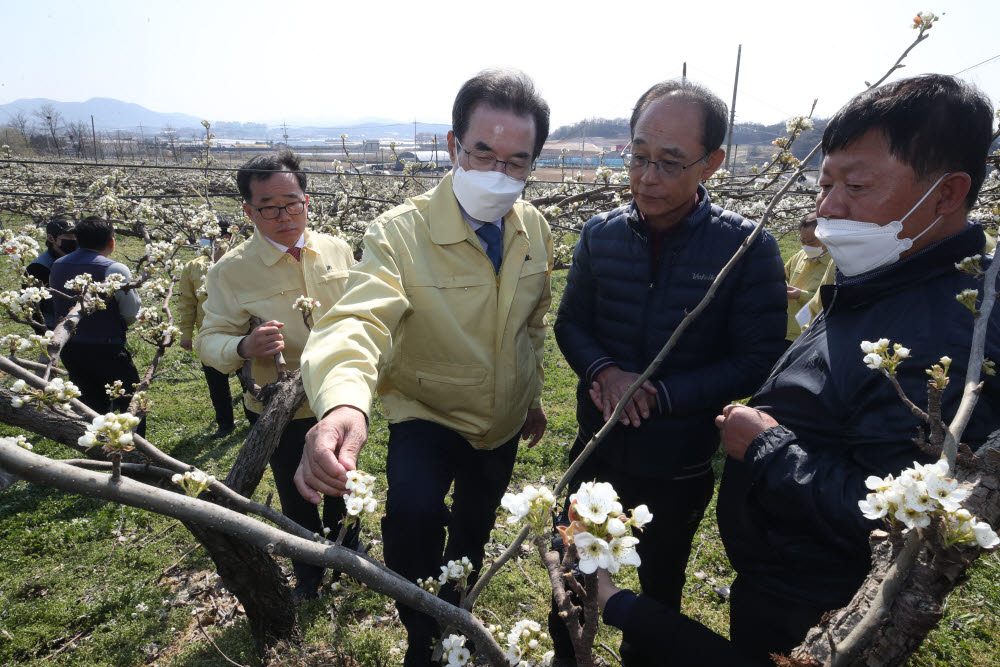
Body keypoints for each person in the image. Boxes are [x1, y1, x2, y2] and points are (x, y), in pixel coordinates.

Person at [715, 74, 1000, 664]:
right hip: (783, 570)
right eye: (825, 183)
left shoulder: (944, 339)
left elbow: (902, 523)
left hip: (824, 605)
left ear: (946, 195)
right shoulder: (886, 273)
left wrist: (768, 447)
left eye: (856, 185)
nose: (827, 209)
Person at [295, 69, 553, 666]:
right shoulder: (399, 232)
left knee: (476, 524)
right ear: (451, 146)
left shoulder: (533, 229)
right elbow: (359, 321)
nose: (498, 172)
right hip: (428, 411)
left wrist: (531, 392)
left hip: (504, 421)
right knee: (412, 518)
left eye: (518, 161)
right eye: (482, 151)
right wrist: (342, 402)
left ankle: (456, 605)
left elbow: (531, 325)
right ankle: (420, 631)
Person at [550, 78, 787, 662]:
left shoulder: (745, 249)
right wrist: (605, 371)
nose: (647, 177)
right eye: (638, 156)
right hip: (597, 448)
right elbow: (571, 323)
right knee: (571, 575)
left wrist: (662, 392)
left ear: (713, 163)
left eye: (670, 163)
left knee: (657, 585)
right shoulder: (601, 235)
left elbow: (757, 357)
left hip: (677, 463)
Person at [195, 150, 358, 601]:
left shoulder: (336, 249)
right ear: (248, 211)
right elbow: (209, 339)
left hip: (338, 399)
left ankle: (350, 552)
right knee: (297, 491)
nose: (284, 215)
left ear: (307, 200)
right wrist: (243, 347)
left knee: (344, 481)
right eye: (268, 206)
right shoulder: (231, 271)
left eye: (293, 202)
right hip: (281, 408)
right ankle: (309, 573)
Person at [50, 216, 145, 435]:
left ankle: (99, 449)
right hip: (107, 347)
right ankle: (134, 449)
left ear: (77, 240)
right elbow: (131, 310)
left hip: (70, 347)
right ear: (112, 242)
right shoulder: (114, 268)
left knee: (91, 404)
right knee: (129, 402)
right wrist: (122, 324)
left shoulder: (57, 265)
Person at [177, 238, 234, 439]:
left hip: (242, 330)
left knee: (249, 378)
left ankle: (255, 420)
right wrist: (186, 334)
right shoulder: (194, 267)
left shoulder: (240, 259)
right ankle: (225, 424)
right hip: (208, 333)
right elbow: (187, 302)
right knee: (216, 382)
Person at [783, 212, 834, 342]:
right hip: (786, 329)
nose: (806, 245)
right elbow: (781, 276)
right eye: (802, 241)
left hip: (810, 334)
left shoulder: (835, 263)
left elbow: (830, 301)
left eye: (811, 242)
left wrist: (801, 295)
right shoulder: (799, 256)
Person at [25, 216, 77, 329]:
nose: (74, 240)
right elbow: (32, 305)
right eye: (68, 236)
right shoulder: (38, 268)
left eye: (76, 236)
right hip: (53, 325)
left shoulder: (79, 258)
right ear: (51, 238)